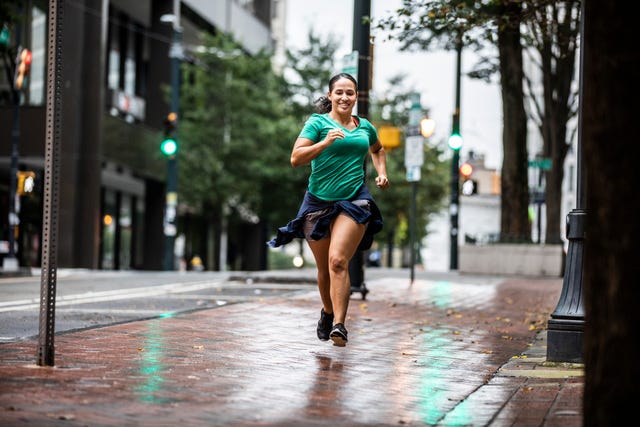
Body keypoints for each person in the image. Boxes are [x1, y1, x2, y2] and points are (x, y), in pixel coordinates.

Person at [268, 73, 389, 346]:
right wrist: (324, 143)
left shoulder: (364, 126)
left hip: (354, 199)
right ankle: (327, 311)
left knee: (338, 261)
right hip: (318, 202)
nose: (345, 97)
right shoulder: (317, 123)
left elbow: (378, 150)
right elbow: (295, 158)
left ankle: (340, 325)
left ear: (356, 96)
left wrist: (381, 173)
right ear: (331, 95)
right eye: (340, 92)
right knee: (324, 269)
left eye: (350, 93)